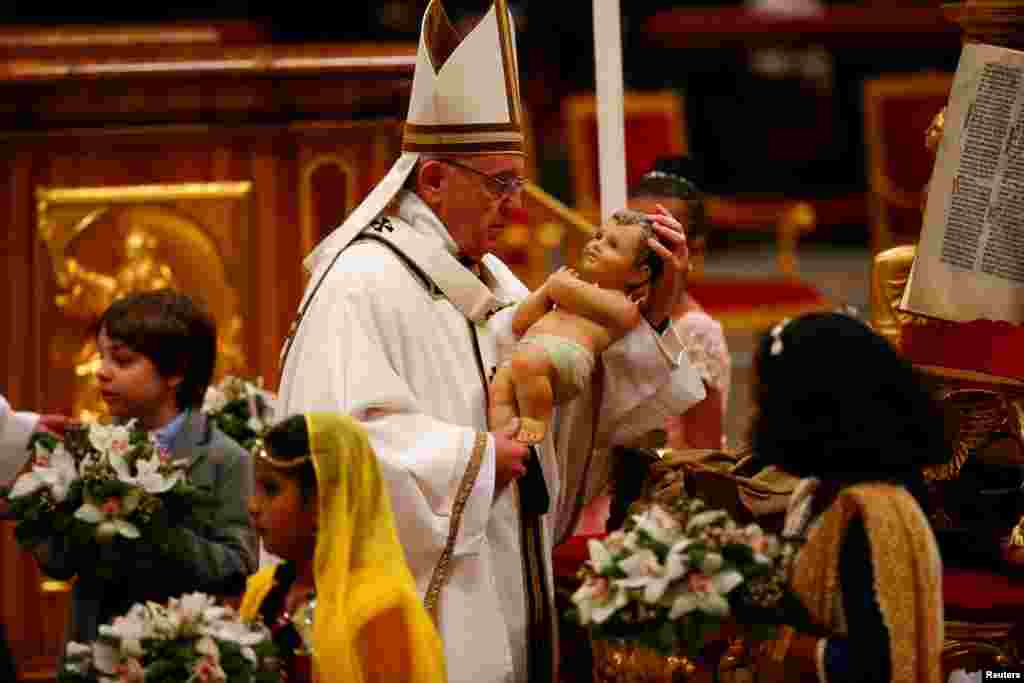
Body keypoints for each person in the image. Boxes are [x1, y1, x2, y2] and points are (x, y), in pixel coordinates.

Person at [275, 1, 705, 681]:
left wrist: (652, 312)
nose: (519, 204)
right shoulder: (360, 285)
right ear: (435, 180)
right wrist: (475, 456)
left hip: (511, 578)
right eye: (501, 183)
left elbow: (577, 402)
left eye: (520, 181)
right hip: (420, 621)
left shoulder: (495, 277)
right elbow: (331, 447)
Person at [33, 289, 257, 644]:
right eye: (101, 356)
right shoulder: (88, 447)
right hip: (92, 653)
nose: (102, 372)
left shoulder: (223, 458)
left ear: (176, 372)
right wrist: (45, 506)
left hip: (173, 654)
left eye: (122, 361)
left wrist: (157, 529)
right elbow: (56, 563)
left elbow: (236, 567)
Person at [746, 312, 945, 683]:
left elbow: (880, 666)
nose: (761, 415)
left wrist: (779, 644)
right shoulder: (816, 489)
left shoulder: (877, 513)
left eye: (773, 400)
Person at [241, 413, 446, 683]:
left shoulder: (380, 609)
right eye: (255, 489)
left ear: (322, 500)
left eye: (270, 490)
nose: (253, 506)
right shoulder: (262, 590)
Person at [489, 209, 662, 444]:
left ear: (637, 274)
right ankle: (503, 436)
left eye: (612, 245)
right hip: (532, 354)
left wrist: (557, 285)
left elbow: (564, 290)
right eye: (598, 236)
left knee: (525, 363)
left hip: (566, 360)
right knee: (500, 386)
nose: (597, 245)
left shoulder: (624, 305)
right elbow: (520, 322)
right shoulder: (571, 287)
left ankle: (536, 419)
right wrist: (545, 290)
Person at [629, 157, 730, 450]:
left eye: (660, 234)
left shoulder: (696, 330)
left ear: (693, 245)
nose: (646, 245)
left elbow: (703, 452)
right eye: (636, 229)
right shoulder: (612, 309)